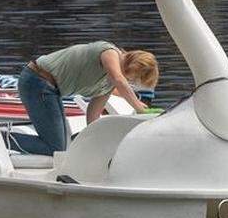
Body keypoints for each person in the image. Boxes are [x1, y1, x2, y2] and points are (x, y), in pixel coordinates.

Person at [18, 41, 158, 155]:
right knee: (56, 148)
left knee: (62, 145)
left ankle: (5, 140)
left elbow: (93, 115)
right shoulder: (110, 52)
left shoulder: (108, 84)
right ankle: (2, 139)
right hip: (37, 80)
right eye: (136, 78)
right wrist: (139, 108)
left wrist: (95, 142)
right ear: (135, 67)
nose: (132, 82)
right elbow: (119, 79)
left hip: (50, 89)